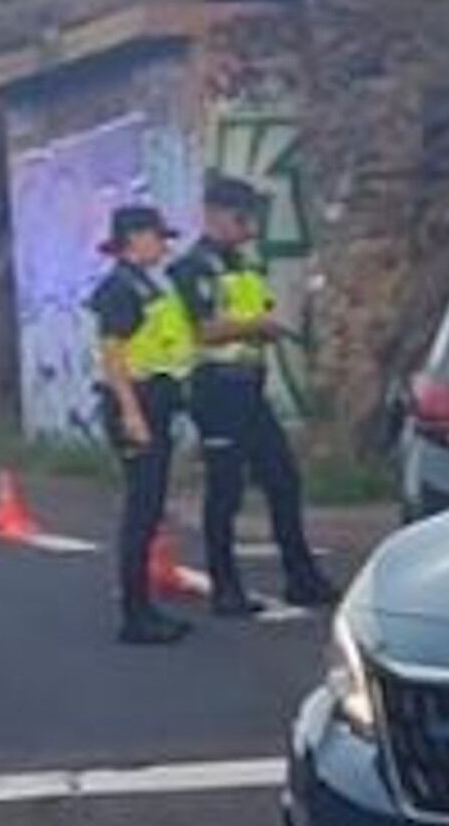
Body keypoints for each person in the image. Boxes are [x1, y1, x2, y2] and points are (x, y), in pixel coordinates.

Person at [169, 172, 339, 618]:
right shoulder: (192, 268)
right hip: (216, 388)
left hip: (249, 385)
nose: (251, 229)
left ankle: (301, 576)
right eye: (242, 219)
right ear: (215, 215)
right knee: (224, 489)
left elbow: (247, 318)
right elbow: (202, 328)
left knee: (283, 479)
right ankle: (225, 587)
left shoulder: (243, 266)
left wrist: (261, 331)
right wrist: (256, 328)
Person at [86, 203, 200, 646]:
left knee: (150, 510)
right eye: (157, 236)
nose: (164, 245)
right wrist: (132, 414)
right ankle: (135, 615)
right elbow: (113, 356)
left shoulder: (147, 284)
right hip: (136, 408)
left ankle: (145, 609)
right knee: (141, 511)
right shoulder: (120, 288)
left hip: (156, 405)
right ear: (134, 238)